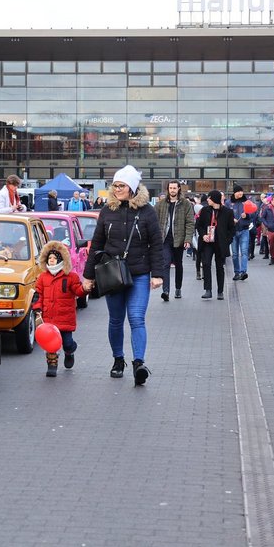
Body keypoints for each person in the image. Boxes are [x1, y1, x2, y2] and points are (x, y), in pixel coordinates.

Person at [82, 165, 164, 385]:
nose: (116, 189)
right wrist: (88, 276)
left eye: (121, 185)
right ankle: (118, 360)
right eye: (115, 185)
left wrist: (158, 274)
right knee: (116, 320)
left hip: (139, 274)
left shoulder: (147, 211)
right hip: (113, 274)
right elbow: (97, 244)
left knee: (136, 318)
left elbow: (156, 244)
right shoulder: (107, 210)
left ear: (132, 187)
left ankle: (139, 363)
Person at [33, 240, 86, 377]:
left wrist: (85, 288)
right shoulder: (42, 278)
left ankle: (70, 351)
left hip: (65, 318)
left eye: (54, 258)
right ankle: (52, 365)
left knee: (67, 342)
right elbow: (38, 295)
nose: (51, 260)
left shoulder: (71, 277)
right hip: (49, 318)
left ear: (61, 259)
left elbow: (78, 291)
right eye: (49, 258)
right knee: (51, 344)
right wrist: (37, 310)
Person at [154, 179, 195, 301]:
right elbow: (154, 222)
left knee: (179, 264)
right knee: (165, 264)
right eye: (170, 188)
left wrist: (188, 239)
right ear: (168, 189)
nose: (172, 190)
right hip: (164, 239)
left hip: (179, 239)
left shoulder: (185, 204)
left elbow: (190, 223)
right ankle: (165, 291)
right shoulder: (160, 204)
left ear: (178, 189)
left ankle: (178, 288)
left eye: (174, 188)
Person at [195, 190, 235, 300]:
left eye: (209, 198)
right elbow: (199, 226)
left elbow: (232, 229)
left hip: (220, 243)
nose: (207, 199)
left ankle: (220, 291)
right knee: (206, 263)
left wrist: (227, 241)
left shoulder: (227, 212)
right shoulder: (205, 210)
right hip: (207, 242)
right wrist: (203, 235)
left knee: (219, 267)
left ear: (215, 199)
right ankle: (208, 290)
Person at [228, 184, 253, 280]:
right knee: (234, 254)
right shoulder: (229, 203)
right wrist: (231, 219)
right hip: (233, 231)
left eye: (241, 191)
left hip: (244, 230)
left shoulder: (247, 202)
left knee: (244, 252)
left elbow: (253, 215)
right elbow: (225, 216)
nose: (240, 193)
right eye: (238, 191)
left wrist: (246, 216)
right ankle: (236, 272)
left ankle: (243, 272)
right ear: (234, 193)